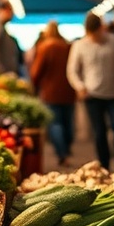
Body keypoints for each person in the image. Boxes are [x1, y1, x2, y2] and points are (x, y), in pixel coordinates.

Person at [68, 14, 114, 171]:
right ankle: (104, 165)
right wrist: (80, 86)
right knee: (99, 133)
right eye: (91, 35)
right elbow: (72, 70)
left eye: (96, 33)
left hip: (113, 93)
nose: (94, 37)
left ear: (102, 28)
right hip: (92, 95)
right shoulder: (80, 45)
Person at [29, 21, 77, 165]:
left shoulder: (45, 47)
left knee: (55, 124)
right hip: (69, 91)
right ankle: (67, 148)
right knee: (68, 122)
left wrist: (34, 87)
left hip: (50, 92)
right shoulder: (68, 46)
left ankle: (62, 154)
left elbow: (36, 72)